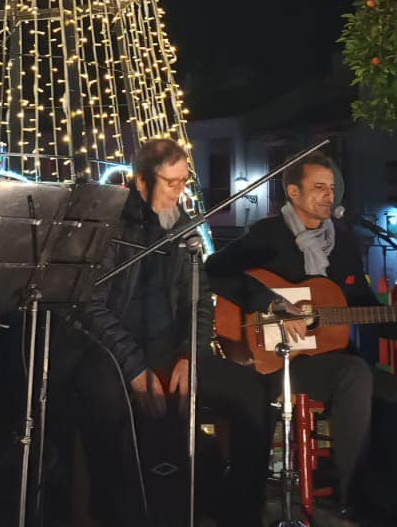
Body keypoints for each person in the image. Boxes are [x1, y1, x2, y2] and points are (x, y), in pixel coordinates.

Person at [206, 151, 397, 523]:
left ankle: (382, 499)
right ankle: (353, 497)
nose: (329, 195)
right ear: (293, 191)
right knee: (354, 373)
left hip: (332, 359)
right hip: (279, 361)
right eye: (319, 188)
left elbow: (361, 307)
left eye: (333, 188)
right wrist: (270, 302)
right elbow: (215, 271)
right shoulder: (267, 235)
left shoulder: (344, 241)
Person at [64, 138, 272, 527]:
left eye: (183, 181)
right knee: (108, 402)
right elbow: (90, 305)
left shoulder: (182, 226)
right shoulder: (110, 224)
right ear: (141, 183)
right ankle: (115, 513)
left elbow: (200, 300)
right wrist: (135, 370)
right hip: (113, 352)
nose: (179, 191)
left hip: (173, 348)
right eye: (170, 183)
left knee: (252, 391)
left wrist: (189, 355)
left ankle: (239, 508)